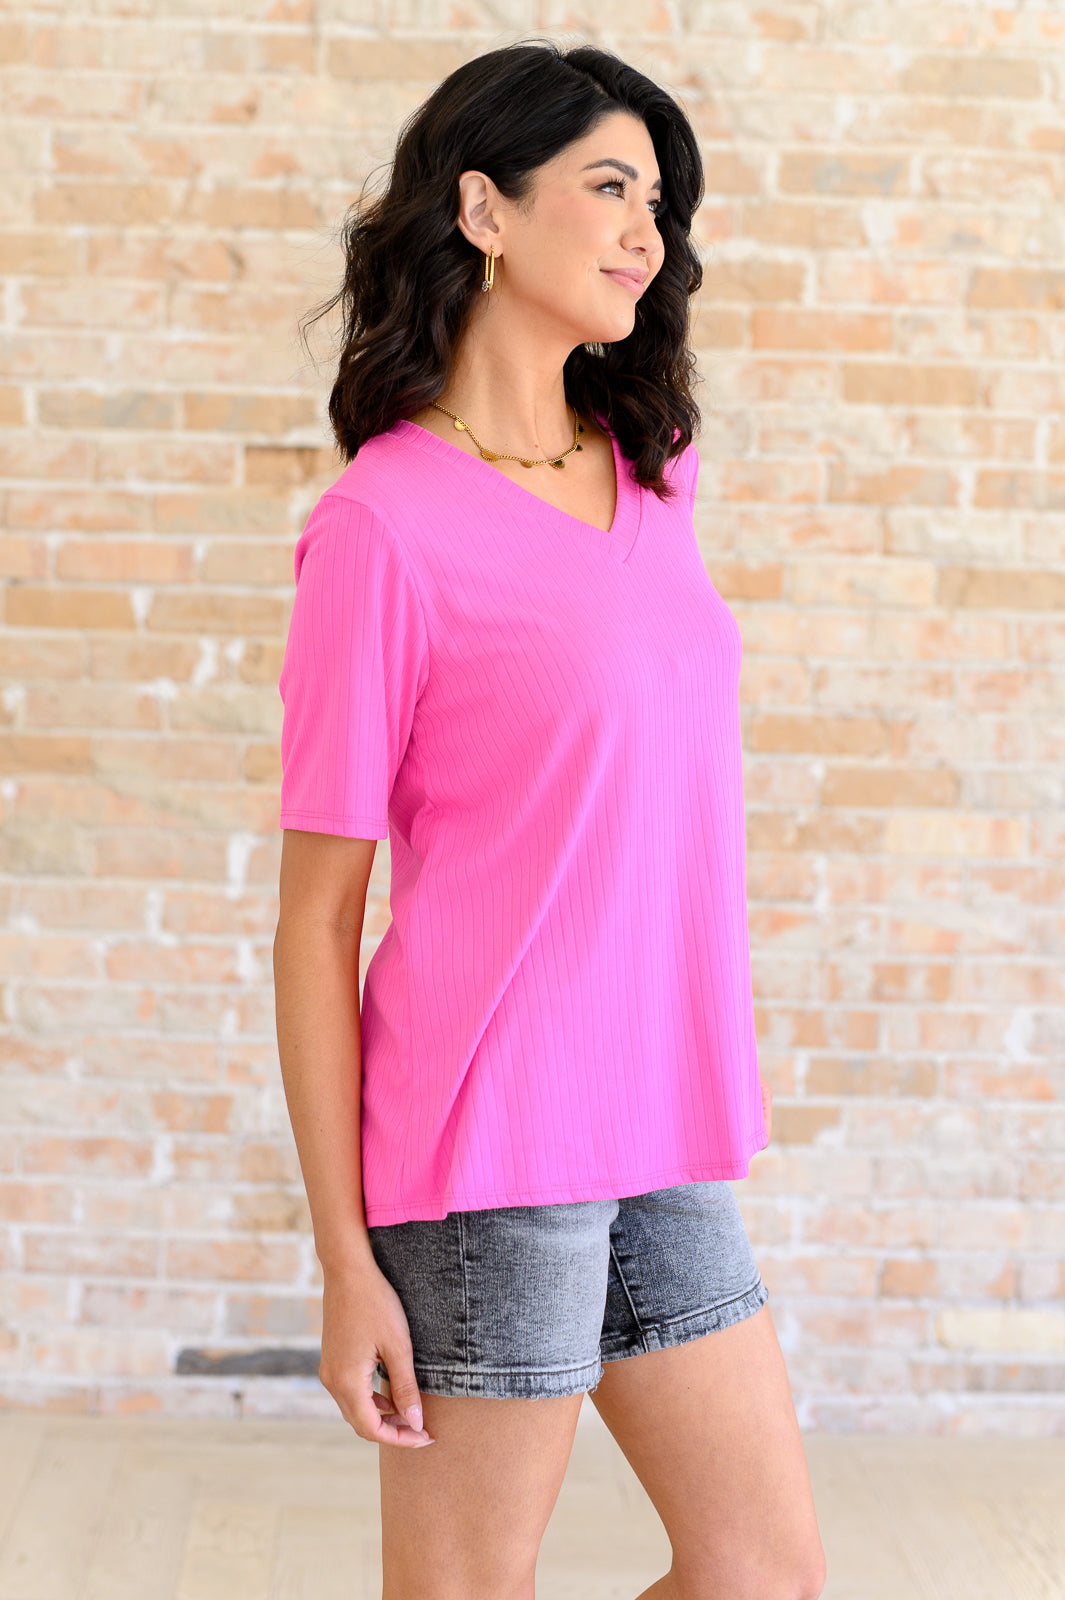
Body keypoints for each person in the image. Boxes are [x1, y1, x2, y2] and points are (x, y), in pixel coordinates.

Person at [273, 37, 827, 1600]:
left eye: (657, 199)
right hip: (489, 1151)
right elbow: (316, 922)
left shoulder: (656, 478)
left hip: (660, 1121)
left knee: (761, 1573)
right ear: (483, 210)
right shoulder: (382, 529)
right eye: (607, 187)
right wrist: (344, 1264)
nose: (645, 231)